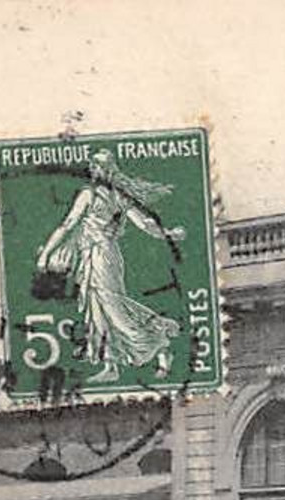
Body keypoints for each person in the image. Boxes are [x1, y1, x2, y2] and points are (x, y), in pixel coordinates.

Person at [35, 149, 185, 384]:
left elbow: (68, 225)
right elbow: (144, 223)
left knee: (112, 307)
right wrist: (167, 234)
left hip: (101, 256)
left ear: (105, 170)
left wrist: (45, 254)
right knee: (98, 309)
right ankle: (111, 364)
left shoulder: (91, 194)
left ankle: (158, 343)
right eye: (92, 167)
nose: (92, 171)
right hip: (96, 256)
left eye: (96, 167)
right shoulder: (118, 196)